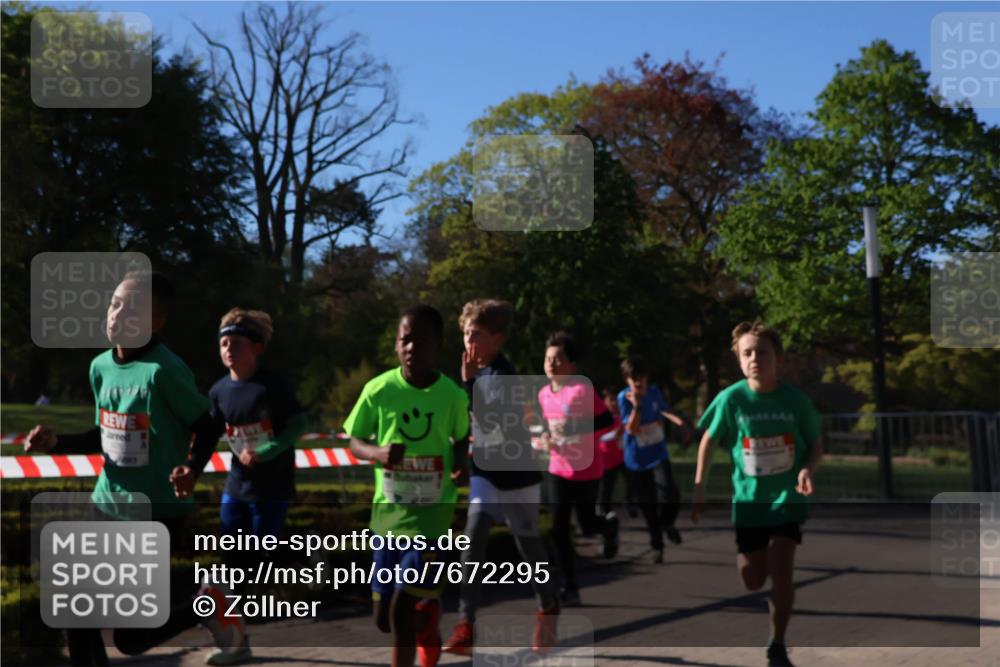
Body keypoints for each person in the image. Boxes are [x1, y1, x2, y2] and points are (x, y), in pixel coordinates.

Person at [26, 271, 248, 666]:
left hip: (155, 509)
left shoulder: (164, 370)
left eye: (132, 310)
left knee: (131, 637)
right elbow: (106, 433)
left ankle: (206, 605)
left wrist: (192, 469)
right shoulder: (100, 367)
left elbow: (208, 424)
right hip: (107, 501)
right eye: (114, 304)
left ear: (156, 323)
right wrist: (57, 442)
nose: (117, 315)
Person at [691, 320, 823, 667]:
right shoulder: (731, 399)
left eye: (762, 352)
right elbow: (709, 440)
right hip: (749, 502)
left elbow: (816, 444)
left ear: (777, 357)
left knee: (782, 571)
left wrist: (808, 468)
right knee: (753, 579)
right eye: (747, 353)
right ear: (739, 359)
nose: (754, 359)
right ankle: (761, 588)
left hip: (786, 499)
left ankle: (777, 644)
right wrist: (699, 486)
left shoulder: (795, 401)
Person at [344, 305, 470, 667]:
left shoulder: (452, 395)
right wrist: (378, 452)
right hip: (388, 519)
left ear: (438, 345)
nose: (413, 347)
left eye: (422, 340)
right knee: (383, 619)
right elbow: (354, 441)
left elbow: (461, 438)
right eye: (406, 339)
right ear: (397, 345)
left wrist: (460, 463)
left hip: (431, 519)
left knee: (400, 606)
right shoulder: (379, 389)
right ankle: (427, 623)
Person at [441, 299, 560, 657]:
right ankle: (466, 624)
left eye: (476, 334)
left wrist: (468, 386)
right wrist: (461, 458)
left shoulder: (505, 376)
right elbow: (470, 424)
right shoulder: (473, 375)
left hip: (518, 475)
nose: (468, 342)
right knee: (473, 535)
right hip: (485, 474)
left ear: (498, 339)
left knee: (530, 549)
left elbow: (494, 423)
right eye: (464, 334)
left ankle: (548, 605)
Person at [201, 308, 309, 664]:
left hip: (272, 488)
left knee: (262, 555)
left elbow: (297, 425)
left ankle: (307, 562)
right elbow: (206, 435)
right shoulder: (218, 391)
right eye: (224, 343)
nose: (229, 349)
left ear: (257, 348)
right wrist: (188, 464)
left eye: (237, 343)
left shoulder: (271, 386)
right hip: (237, 487)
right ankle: (237, 641)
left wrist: (268, 449)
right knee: (233, 560)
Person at [537, 331, 619, 607]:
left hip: (586, 470)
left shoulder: (582, 390)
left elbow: (607, 421)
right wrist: (546, 439)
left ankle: (608, 526)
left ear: (571, 365)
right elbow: (549, 428)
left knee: (586, 524)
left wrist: (577, 429)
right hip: (557, 468)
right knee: (559, 530)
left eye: (558, 359)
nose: (551, 364)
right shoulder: (543, 394)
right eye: (548, 359)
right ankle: (570, 585)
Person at [617, 355, 690, 563]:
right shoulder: (624, 398)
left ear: (647, 377)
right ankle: (657, 546)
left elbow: (665, 410)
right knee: (647, 505)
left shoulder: (655, 393)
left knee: (670, 492)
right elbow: (630, 428)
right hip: (636, 459)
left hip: (657, 453)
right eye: (633, 379)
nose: (639, 383)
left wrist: (681, 423)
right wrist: (637, 406)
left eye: (641, 378)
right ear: (627, 380)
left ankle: (667, 523)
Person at [597, 386, 633, 519]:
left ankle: (630, 502)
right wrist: (614, 434)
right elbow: (599, 437)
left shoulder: (623, 416)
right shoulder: (602, 418)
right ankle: (602, 510)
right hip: (607, 458)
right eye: (610, 400)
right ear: (604, 401)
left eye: (615, 400)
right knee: (607, 486)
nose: (614, 403)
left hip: (622, 457)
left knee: (632, 480)